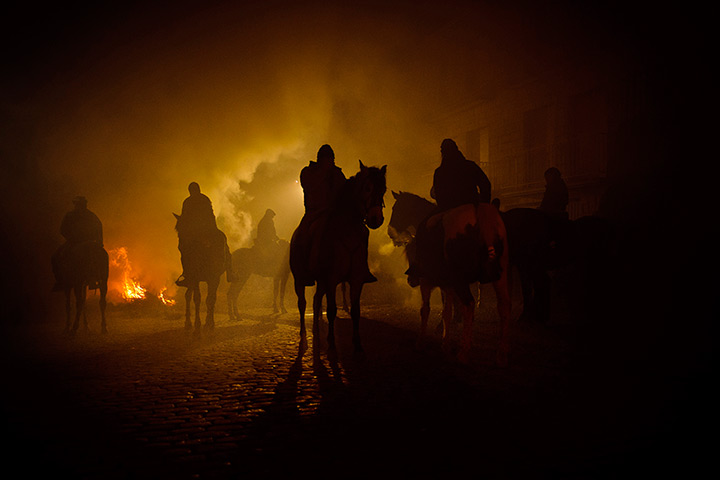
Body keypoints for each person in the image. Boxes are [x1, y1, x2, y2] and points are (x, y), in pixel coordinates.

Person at [407, 139, 492, 283]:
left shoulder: (440, 171)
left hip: (448, 209)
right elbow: (486, 185)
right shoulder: (470, 166)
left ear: (443, 153)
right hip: (472, 206)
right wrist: (483, 205)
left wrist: (446, 206)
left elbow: (439, 195)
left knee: (422, 228)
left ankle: (420, 267)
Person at [293, 144, 376, 285]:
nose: (329, 161)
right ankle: (303, 269)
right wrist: (323, 172)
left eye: (331, 159)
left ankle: (362, 268)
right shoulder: (308, 172)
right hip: (315, 213)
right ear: (320, 159)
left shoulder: (337, 173)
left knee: (362, 231)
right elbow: (309, 186)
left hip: (334, 213)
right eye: (327, 159)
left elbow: (346, 192)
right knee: (303, 236)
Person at [176, 182, 232, 286]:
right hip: (199, 230)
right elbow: (186, 217)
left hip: (204, 229)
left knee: (222, 241)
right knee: (183, 250)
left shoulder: (195, 201)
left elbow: (209, 215)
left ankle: (229, 271)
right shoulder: (195, 200)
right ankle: (187, 273)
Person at [52, 196, 104, 291]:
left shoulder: (88, 216)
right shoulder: (73, 215)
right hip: (76, 242)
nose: (80, 206)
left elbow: (98, 227)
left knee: (94, 258)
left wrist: (99, 241)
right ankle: (61, 280)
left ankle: (61, 282)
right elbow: (63, 229)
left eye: (81, 204)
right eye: (79, 204)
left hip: (84, 242)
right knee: (55, 257)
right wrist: (99, 241)